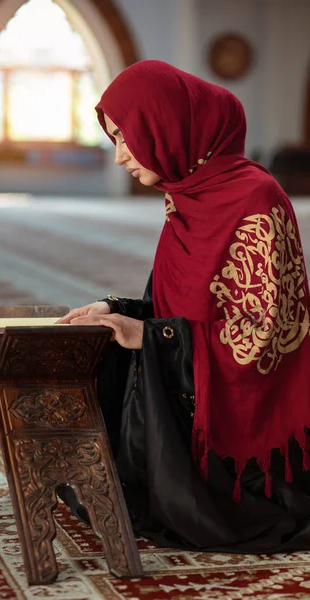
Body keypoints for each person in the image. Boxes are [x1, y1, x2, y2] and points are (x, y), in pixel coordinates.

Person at [57, 60, 310, 552]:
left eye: (127, 139)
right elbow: (175, 308)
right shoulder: (187, 198)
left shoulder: (255, 198)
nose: (120, 158)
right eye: (115, 141)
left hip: (247, 447)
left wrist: (150, 336)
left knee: (174, 512)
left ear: (166, 126)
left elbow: (263, 339)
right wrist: (113, 311)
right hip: (193, 402)